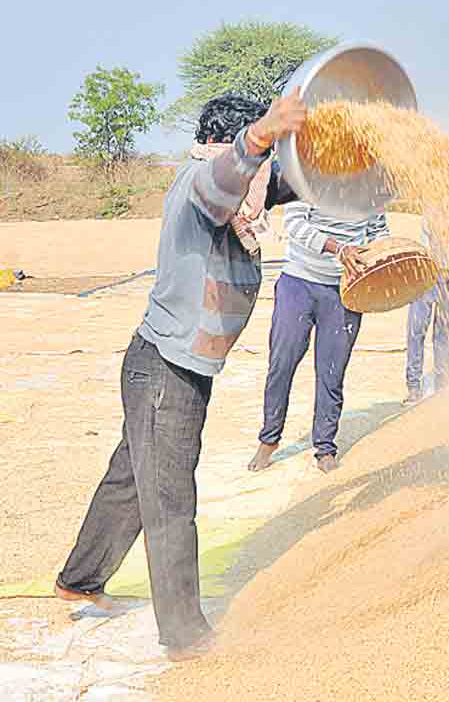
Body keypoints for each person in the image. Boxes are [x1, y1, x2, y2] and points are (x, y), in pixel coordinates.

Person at [54, 90, 307, 661]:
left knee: (131, 481)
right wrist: (262, 135)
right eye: (259, 158)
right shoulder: (200, 185)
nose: (264, 174)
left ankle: (80, 577)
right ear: (228, 145)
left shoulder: (245, 196)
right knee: (170, 498)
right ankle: (186, 634)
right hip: (165, 370)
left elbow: (296, 182)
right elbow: (226, 177)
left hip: (169, 367)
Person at [247, 203, 389, 474]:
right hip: (298, 283)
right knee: (282, 364)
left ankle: (325, 446)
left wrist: (379, 256)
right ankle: (269, 440)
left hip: (345, 292)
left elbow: (378, 232)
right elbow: (296, 226)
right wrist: (339, 249)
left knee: (331, 373)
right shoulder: (309, 176)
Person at [404, 214, 449, 404]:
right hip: (427, 272)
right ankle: (414, 387)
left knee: (446, 331)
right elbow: (426, 240)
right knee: (416, 329)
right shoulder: (433, 208)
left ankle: (442, 381)